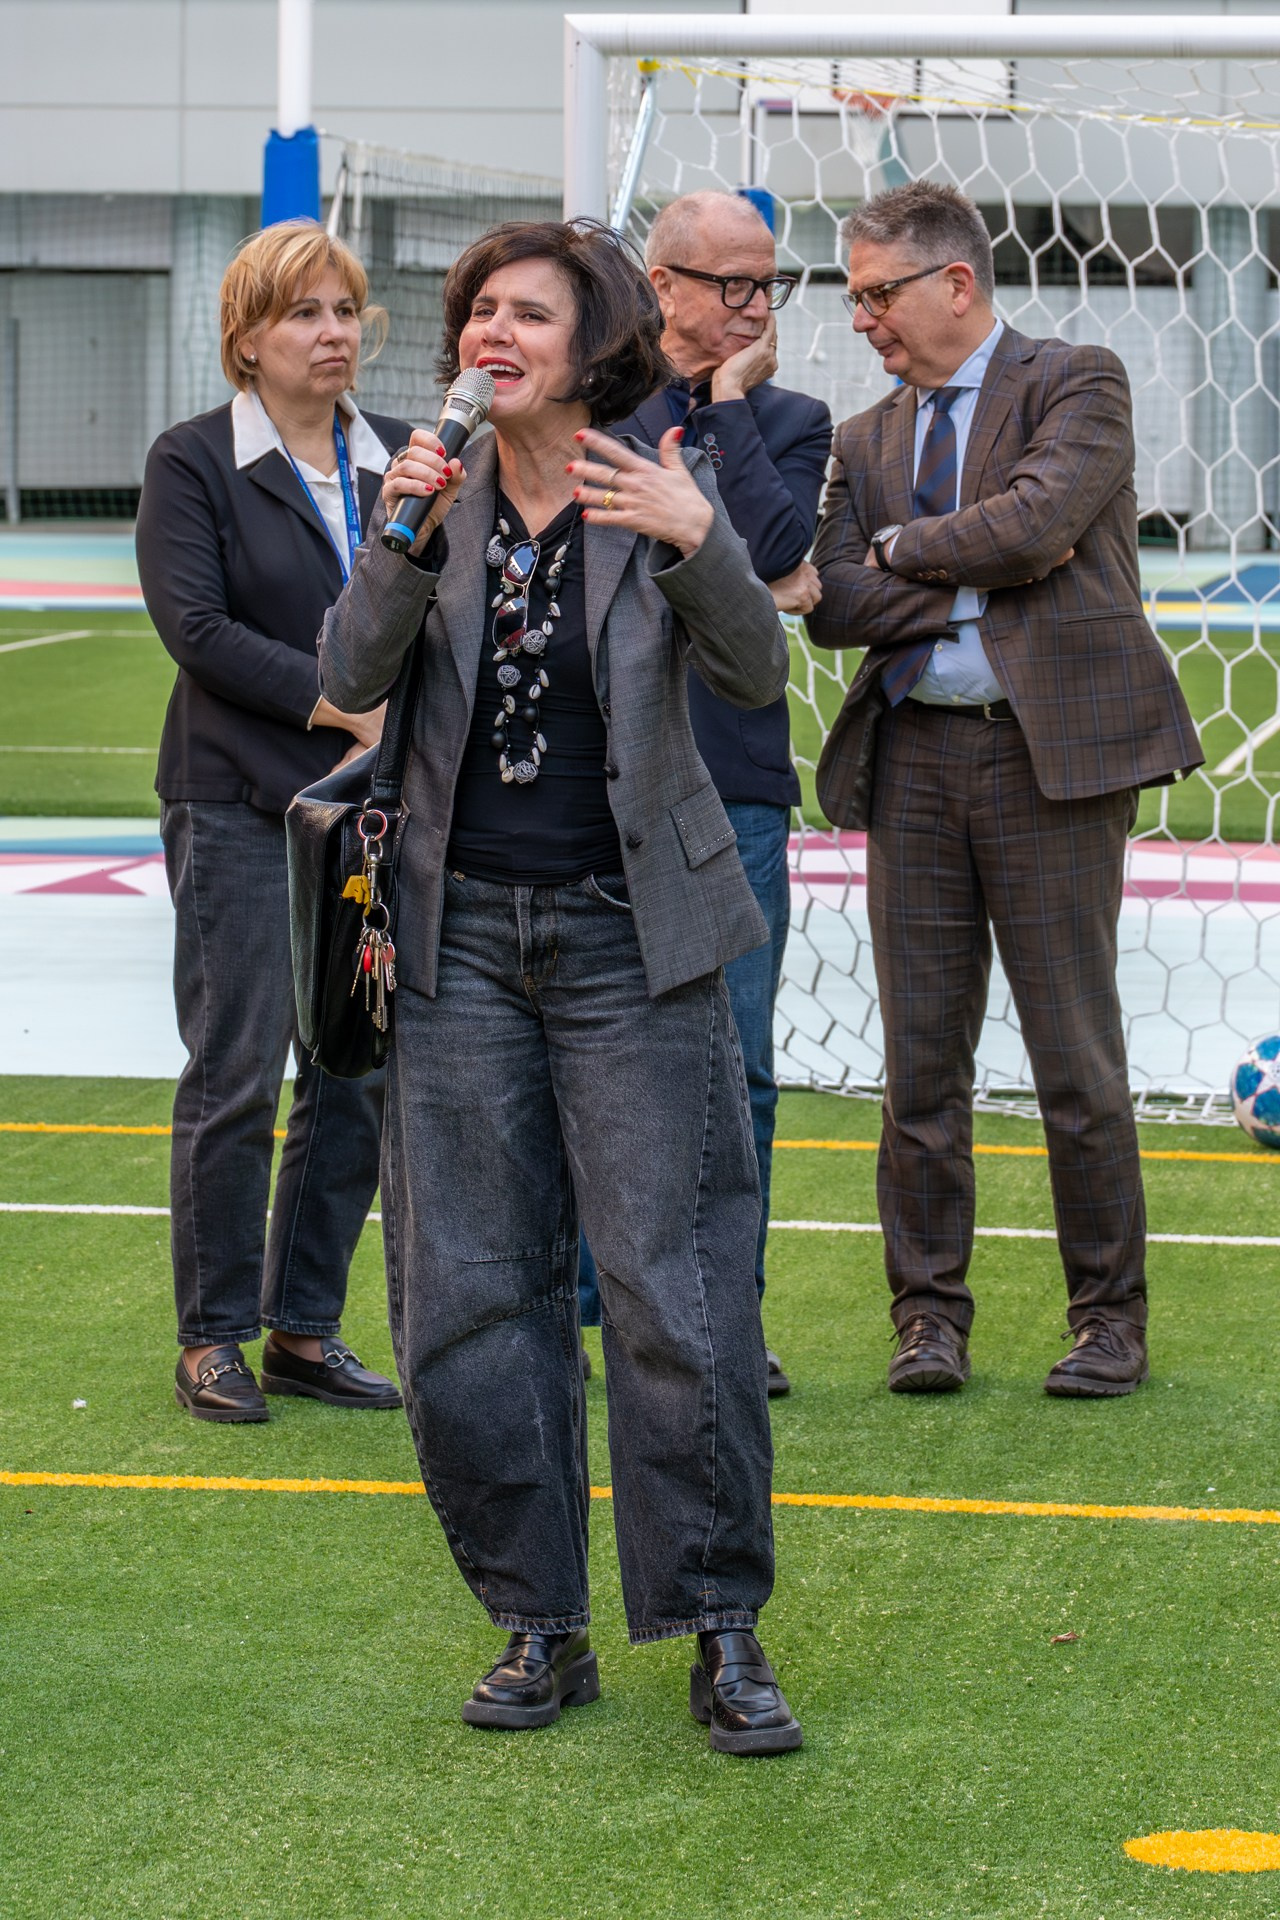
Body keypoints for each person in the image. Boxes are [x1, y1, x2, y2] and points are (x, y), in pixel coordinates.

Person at [317, 218, 801, 1754]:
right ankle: (540, 1622)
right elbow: (347, 676)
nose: (492, 334)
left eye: (528, 313)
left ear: (594, 347)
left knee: (676, 1285)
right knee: (468, 1291)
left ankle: (720, 1628)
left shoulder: (651, 483)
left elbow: (757, 677)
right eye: (478, 312)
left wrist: (698, 540)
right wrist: (399, 536)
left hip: (628, 936)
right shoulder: (431, 494)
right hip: (455, 942)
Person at [808, 181, 1202, 1398]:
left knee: (1074, 1061)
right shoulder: (860, 438)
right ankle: (926, 1320)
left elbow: (1036, 526)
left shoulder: (1075, 380)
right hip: (912, 760)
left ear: (954, 282)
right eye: (854, 297)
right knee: (918, 1070)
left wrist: (901, 551)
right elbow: (831, 598)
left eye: (876, 293)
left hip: (1050, 763)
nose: (862, 319)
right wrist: (966, 570)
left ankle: (1108, 1322)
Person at [136, 221, 405, 1422]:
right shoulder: (192, 461)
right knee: (237, 1072)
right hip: (236, 800)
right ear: (247, 338)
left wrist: (386, 738)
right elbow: (197, 630)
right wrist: (342, 707)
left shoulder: (401, 457)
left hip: (371, 812)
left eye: (344, 310)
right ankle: (212, 1337)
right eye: (304, 312)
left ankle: (302, 1328)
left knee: (352, 1074)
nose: (332, 332)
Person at [578, 190, 833, 1399]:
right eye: (729, 283)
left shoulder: (786, 418)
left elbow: (777, 562)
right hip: (594, 776)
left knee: (736, 1066)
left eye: (765, 283)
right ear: (660, 284)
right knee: (584, 1058)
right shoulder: (592, 408)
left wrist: (726, 407)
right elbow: (621, 567)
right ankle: (587, 1309)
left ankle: (725, 1311)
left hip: (731, 777)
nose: (751, 305)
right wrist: (717, 557)